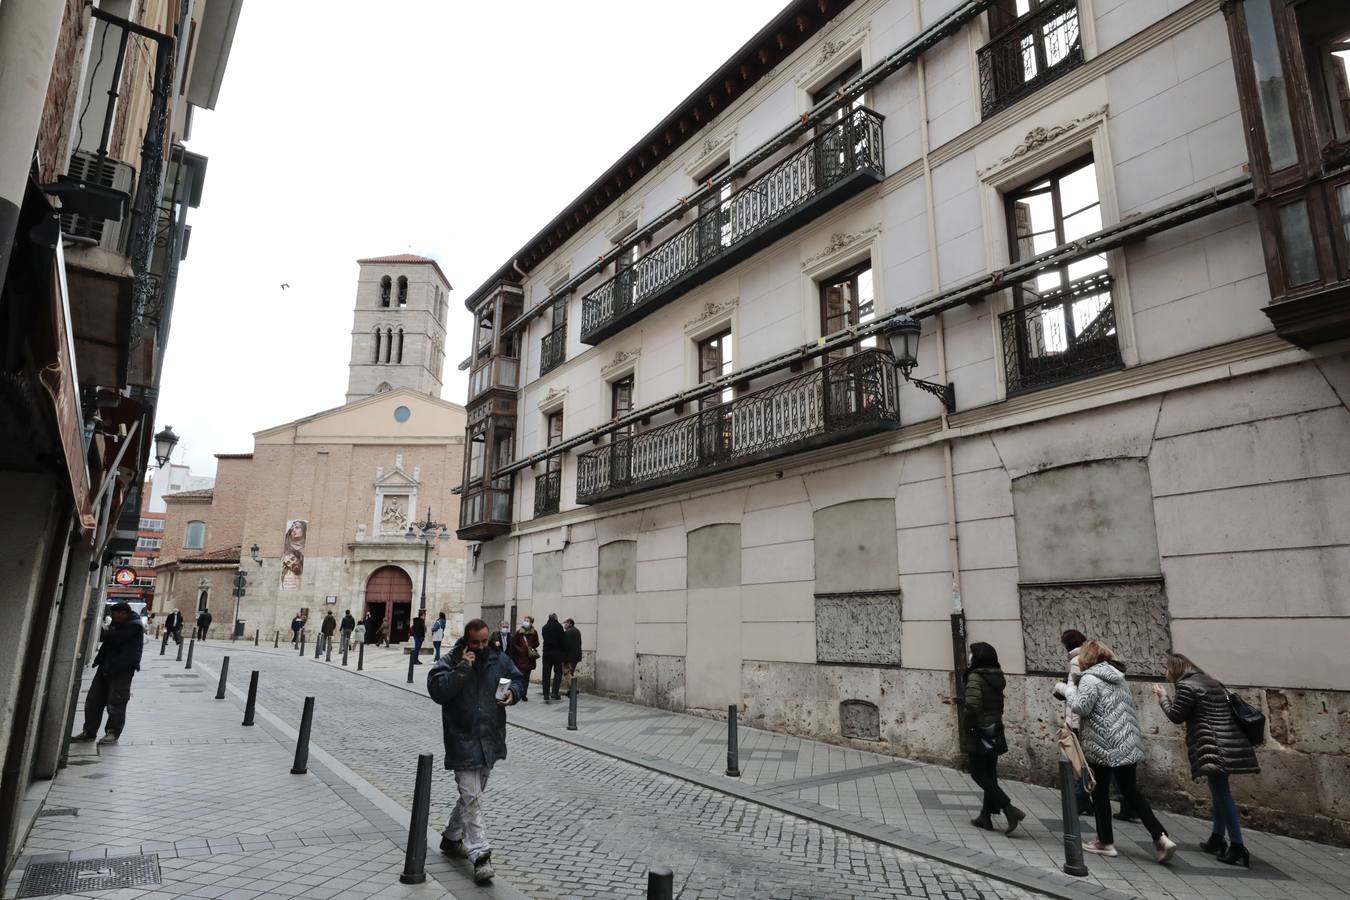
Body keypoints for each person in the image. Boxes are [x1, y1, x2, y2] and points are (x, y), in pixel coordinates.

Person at [427, 619, 525, 884]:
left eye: (484, 641)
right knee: (471, 797)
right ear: (466, 641)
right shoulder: (451, 660)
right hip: (462, 739)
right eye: (475, 643)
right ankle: (480, 855)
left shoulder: (498, 658)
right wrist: (463, 668)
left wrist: (513, 694)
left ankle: (451, 838)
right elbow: (437, 690)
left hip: (490, 739)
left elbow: (516, 678)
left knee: (474, 795)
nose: (480, 647)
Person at [1060, 640, 1176, 863]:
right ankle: (1160, 837)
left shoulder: (1090, 679)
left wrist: (1067, 689)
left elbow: (1081, 707)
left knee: (1100, 792)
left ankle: (1105, 842)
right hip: (1126, 742)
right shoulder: (1118, 678)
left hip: (1102, 744)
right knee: (1131, 791)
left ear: (1086, 659)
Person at [1153, 654, 1259, 867]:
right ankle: (1217, 838)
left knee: (1222, 794)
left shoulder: (1186, 686)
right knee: (1218, 790)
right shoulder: (1211, 681)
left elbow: (1176, 716)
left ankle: (1237, 845)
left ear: (1175, 668)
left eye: (1167, 668)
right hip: (1228, 742)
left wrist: (1163, 696)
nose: (1166, 673)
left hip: (1212, 744)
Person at [962, 642, 1025, 834]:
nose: (970, 657)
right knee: (990, 775)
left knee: (978, 774)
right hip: (995, 728)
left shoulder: (975, 676)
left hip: (980, 730)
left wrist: (968, 725)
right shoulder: (996, 675)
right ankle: (985, 817)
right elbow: (990, 701)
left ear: (978, 657)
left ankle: (1009, 809)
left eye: (972, 654)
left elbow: (973, 706)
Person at [71, 603, 144, 745]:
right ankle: (89, 731)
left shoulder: (133, 625)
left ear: (123, 613)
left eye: (114, 614)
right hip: (106, 667)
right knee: (93, 701)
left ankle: (112, 733)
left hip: (121, 670)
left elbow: (114, 638)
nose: (112, 617)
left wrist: (98, 628)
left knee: (116, 702)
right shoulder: (120, 623)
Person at [507, 617, 539, 701]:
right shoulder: (519, 632)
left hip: (529, 658)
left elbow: (537, 643)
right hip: (520, 658)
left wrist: (531, 647)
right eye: (525, 620)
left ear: (531, 623)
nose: (525, 622)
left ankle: (524, 693)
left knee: (526, 678)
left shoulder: (534, 632)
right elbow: (513, 643)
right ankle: (519, 693)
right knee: (520, 676)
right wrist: (520, 649)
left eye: (527, 621)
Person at [541, 613, 564, 702]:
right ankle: (554, 692)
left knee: (546, 673)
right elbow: (562, 640)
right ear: (556, 618)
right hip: (557, 653)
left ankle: (546, 694)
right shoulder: (559, 627)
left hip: (546, 653)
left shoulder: (544, 627)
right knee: (558, 672)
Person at [561, 617, 583, 695]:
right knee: (571, 673)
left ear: (570, 623)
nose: (564, 624)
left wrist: (563, 657)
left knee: (566, 672)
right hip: (576, 656)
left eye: (565, 622)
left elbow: (565, 645)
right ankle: (570, 690)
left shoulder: (567, 632)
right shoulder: (577, 631)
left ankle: (574, 689)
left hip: (569, 657)